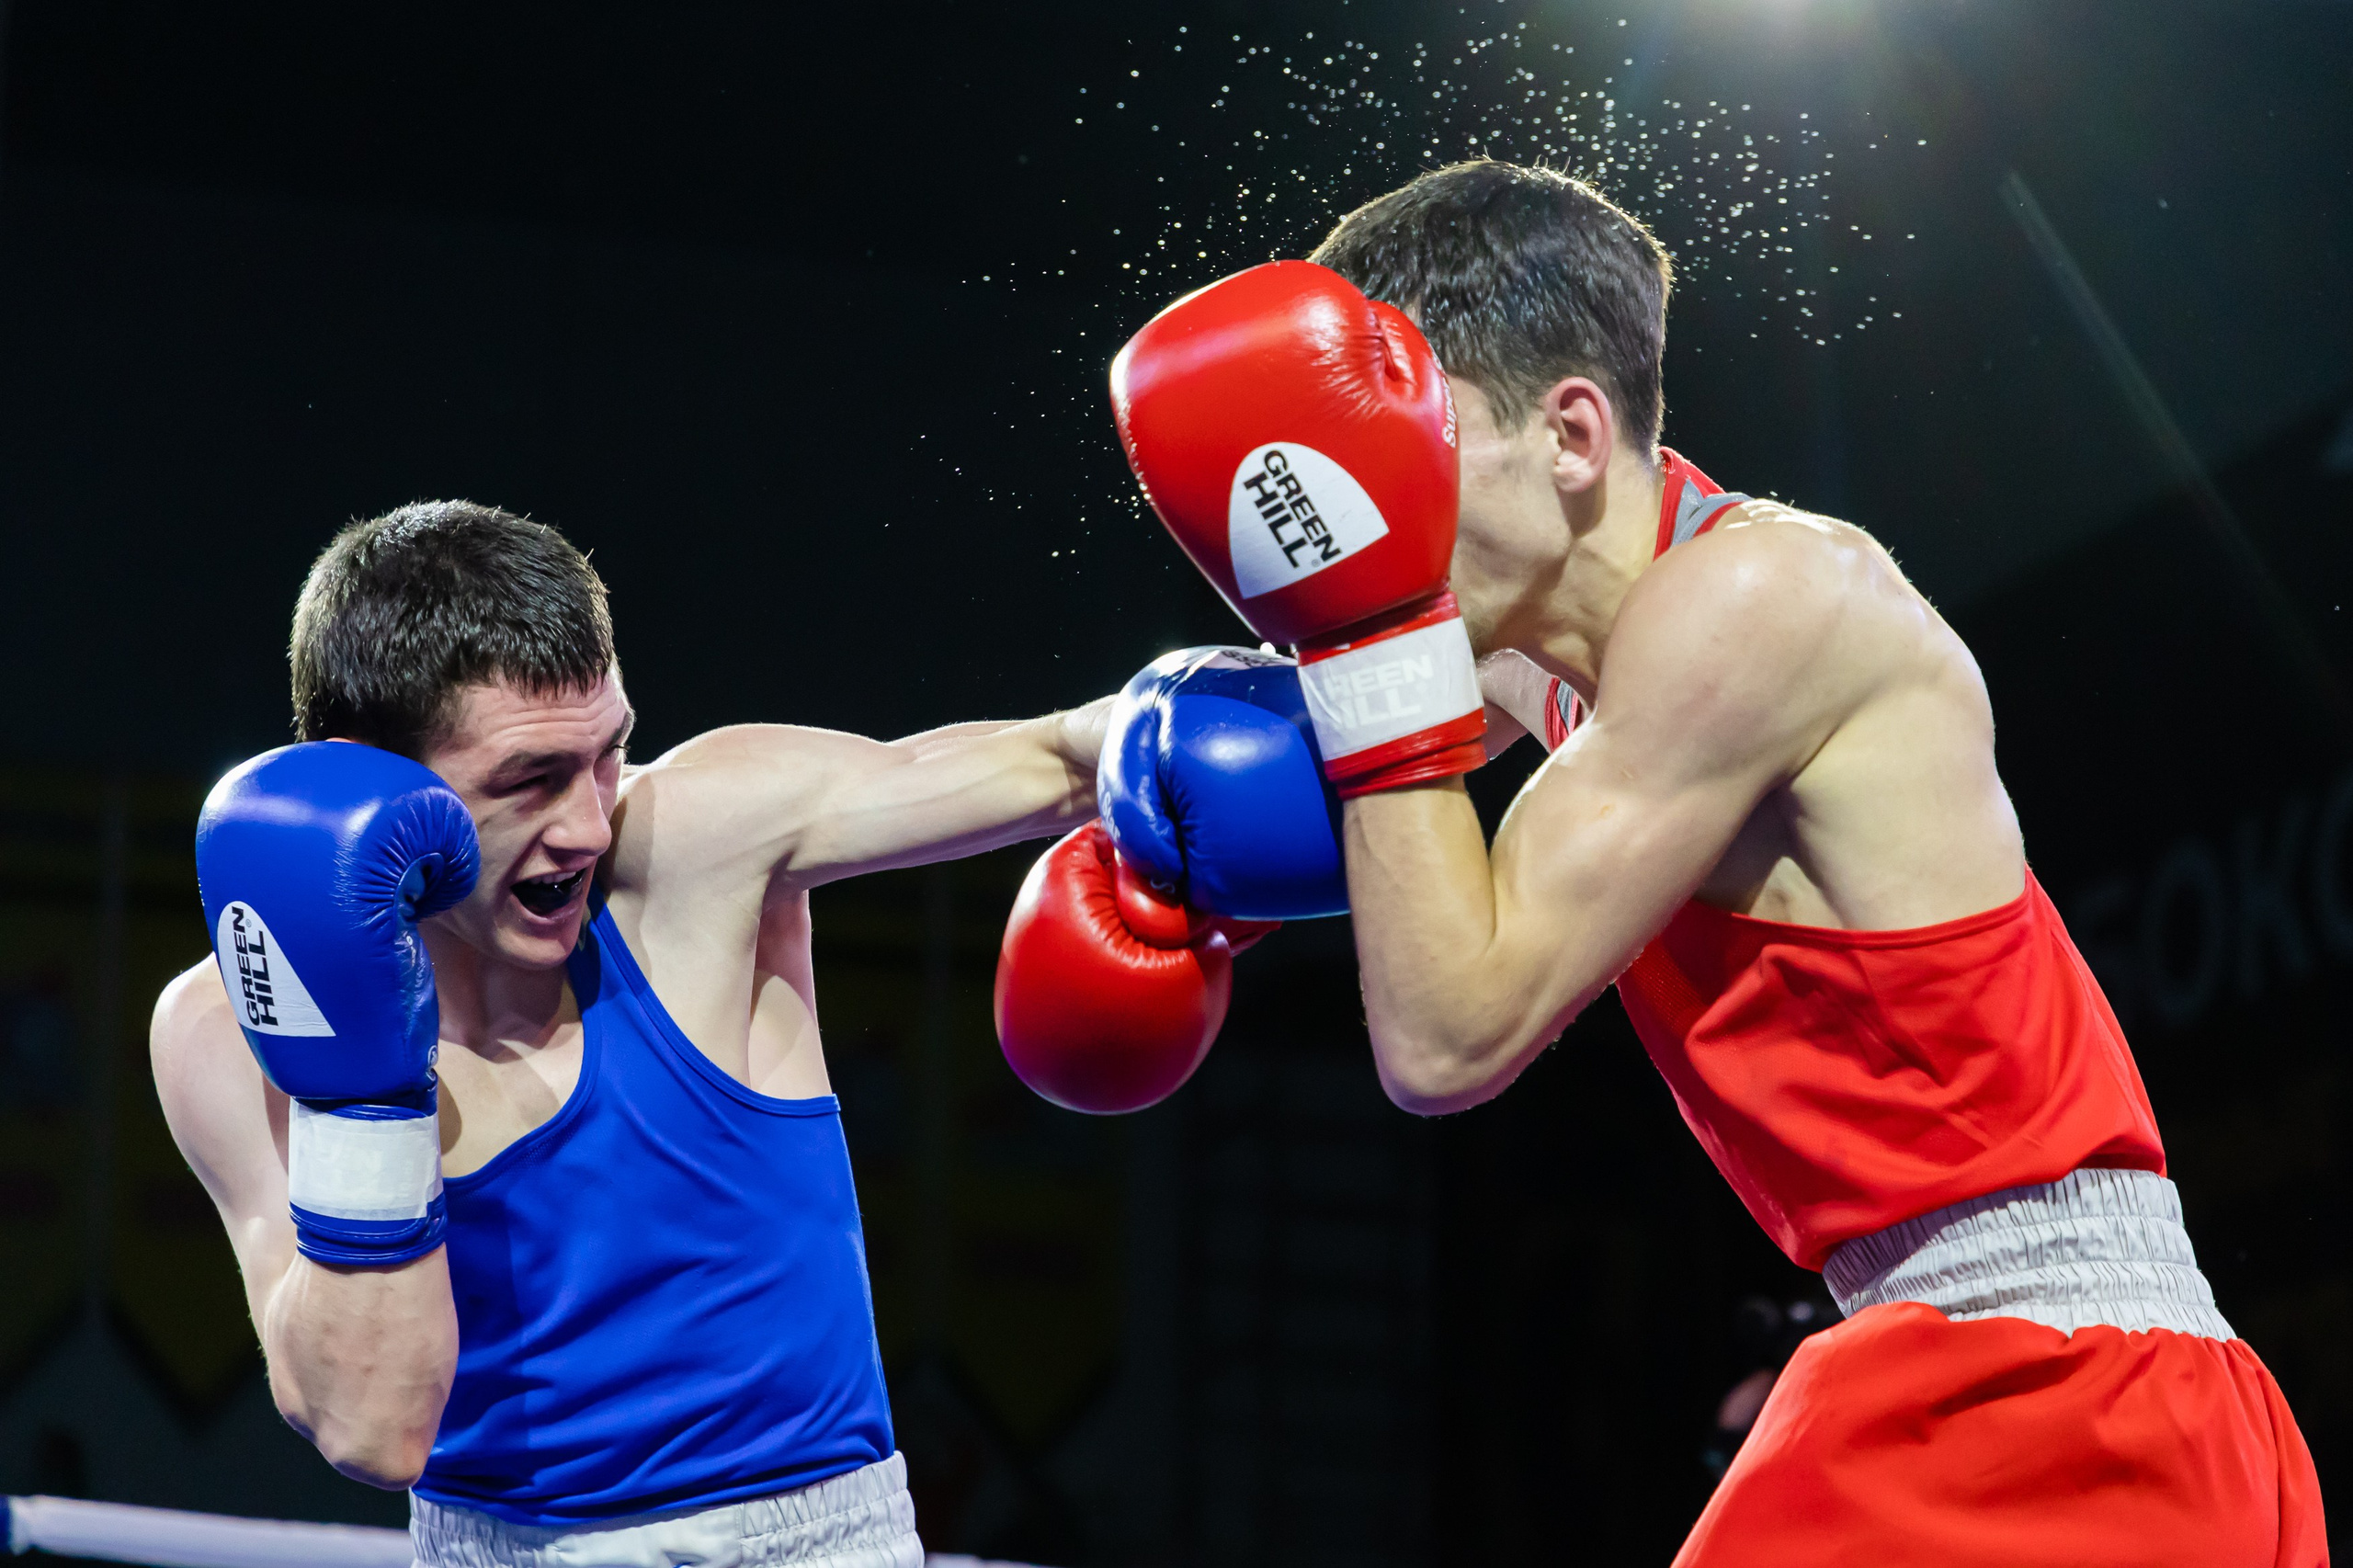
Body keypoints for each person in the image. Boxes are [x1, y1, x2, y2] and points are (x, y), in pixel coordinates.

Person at [1102, 162, 2326, 1563]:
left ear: (1572, 433)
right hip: (2014, 1383)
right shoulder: (1558, 669)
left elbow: (1447, 1040)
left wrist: (1358, 633)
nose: (1380, 516)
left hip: (2062, 1394)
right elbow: (1103, 740)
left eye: (1401, 460)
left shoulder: (1762, 599)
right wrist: (895, 817)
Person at [152, 502, 1121, 1568]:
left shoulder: (698, 845)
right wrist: (360, 1088)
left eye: (606, 754)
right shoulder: (230, 1023)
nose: (589, 824)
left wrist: (1232, 712)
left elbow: (1062, 762)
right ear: (376, 781)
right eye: (529, 779)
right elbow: (373, 1427)